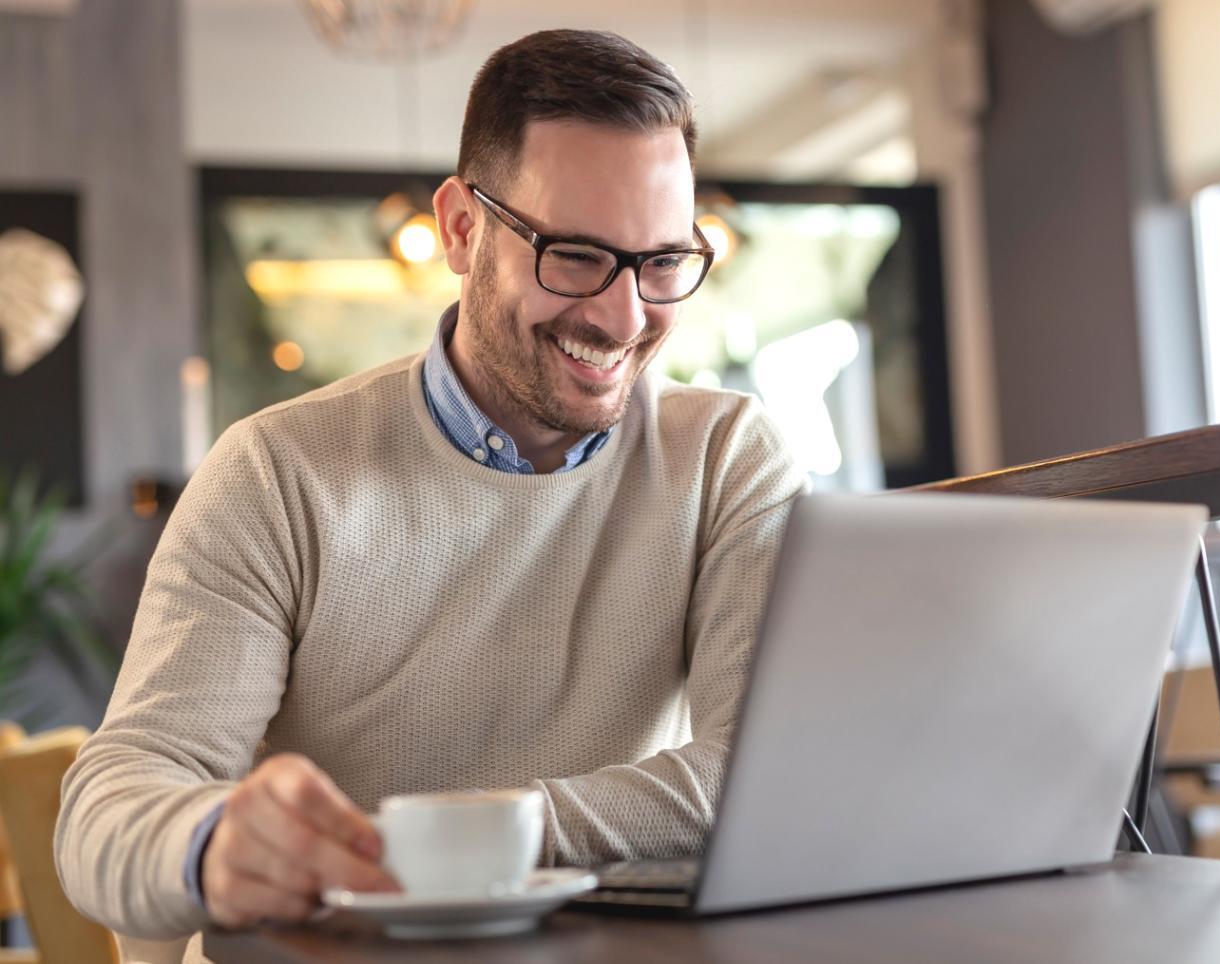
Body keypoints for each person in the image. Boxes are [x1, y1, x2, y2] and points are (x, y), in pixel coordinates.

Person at [56, 28, 805, 951]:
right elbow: (114, 800)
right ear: (461, 229)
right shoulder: (275, 475)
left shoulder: (728, 457)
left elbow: (757, 770)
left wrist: (463, 841)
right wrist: (209, 842)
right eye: (574, 254)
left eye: (661, 264)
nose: (625, 317)